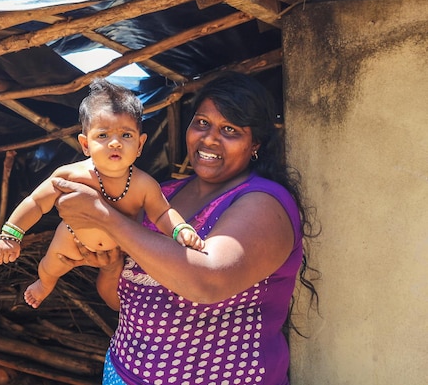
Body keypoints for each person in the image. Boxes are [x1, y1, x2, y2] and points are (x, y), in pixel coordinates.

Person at [52, 71, 319, 385]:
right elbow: (122, 303)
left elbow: (207, 281)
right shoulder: (163, 195)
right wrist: (112, 268)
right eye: (202, 123)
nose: (208, 139)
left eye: (229, 129)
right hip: (122, 373)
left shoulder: (264, 202)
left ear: (255, 143)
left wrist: (105, 218)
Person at [0, 78, 204, 309]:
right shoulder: (70, 176)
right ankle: (44, 284)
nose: (115, 143)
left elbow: (162, 213)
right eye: (103, 136)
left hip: (118, 250)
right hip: (71, 239)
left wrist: (180, 229)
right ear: (85, 144)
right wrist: (10, 235)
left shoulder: (144, 185)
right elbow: (35, 202)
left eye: (126, 135)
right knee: (51, 266)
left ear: (140, 145)